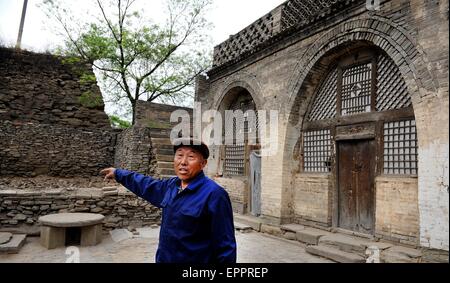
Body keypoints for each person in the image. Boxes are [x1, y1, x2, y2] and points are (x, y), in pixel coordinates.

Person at [100, 137, 237, 263]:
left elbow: (225, 246)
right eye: (179, 155)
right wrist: (119, 174)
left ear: (203, 163)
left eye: (191, 156)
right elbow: (146, 185)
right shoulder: (172, 185)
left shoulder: (215, 194)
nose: (183, 162)